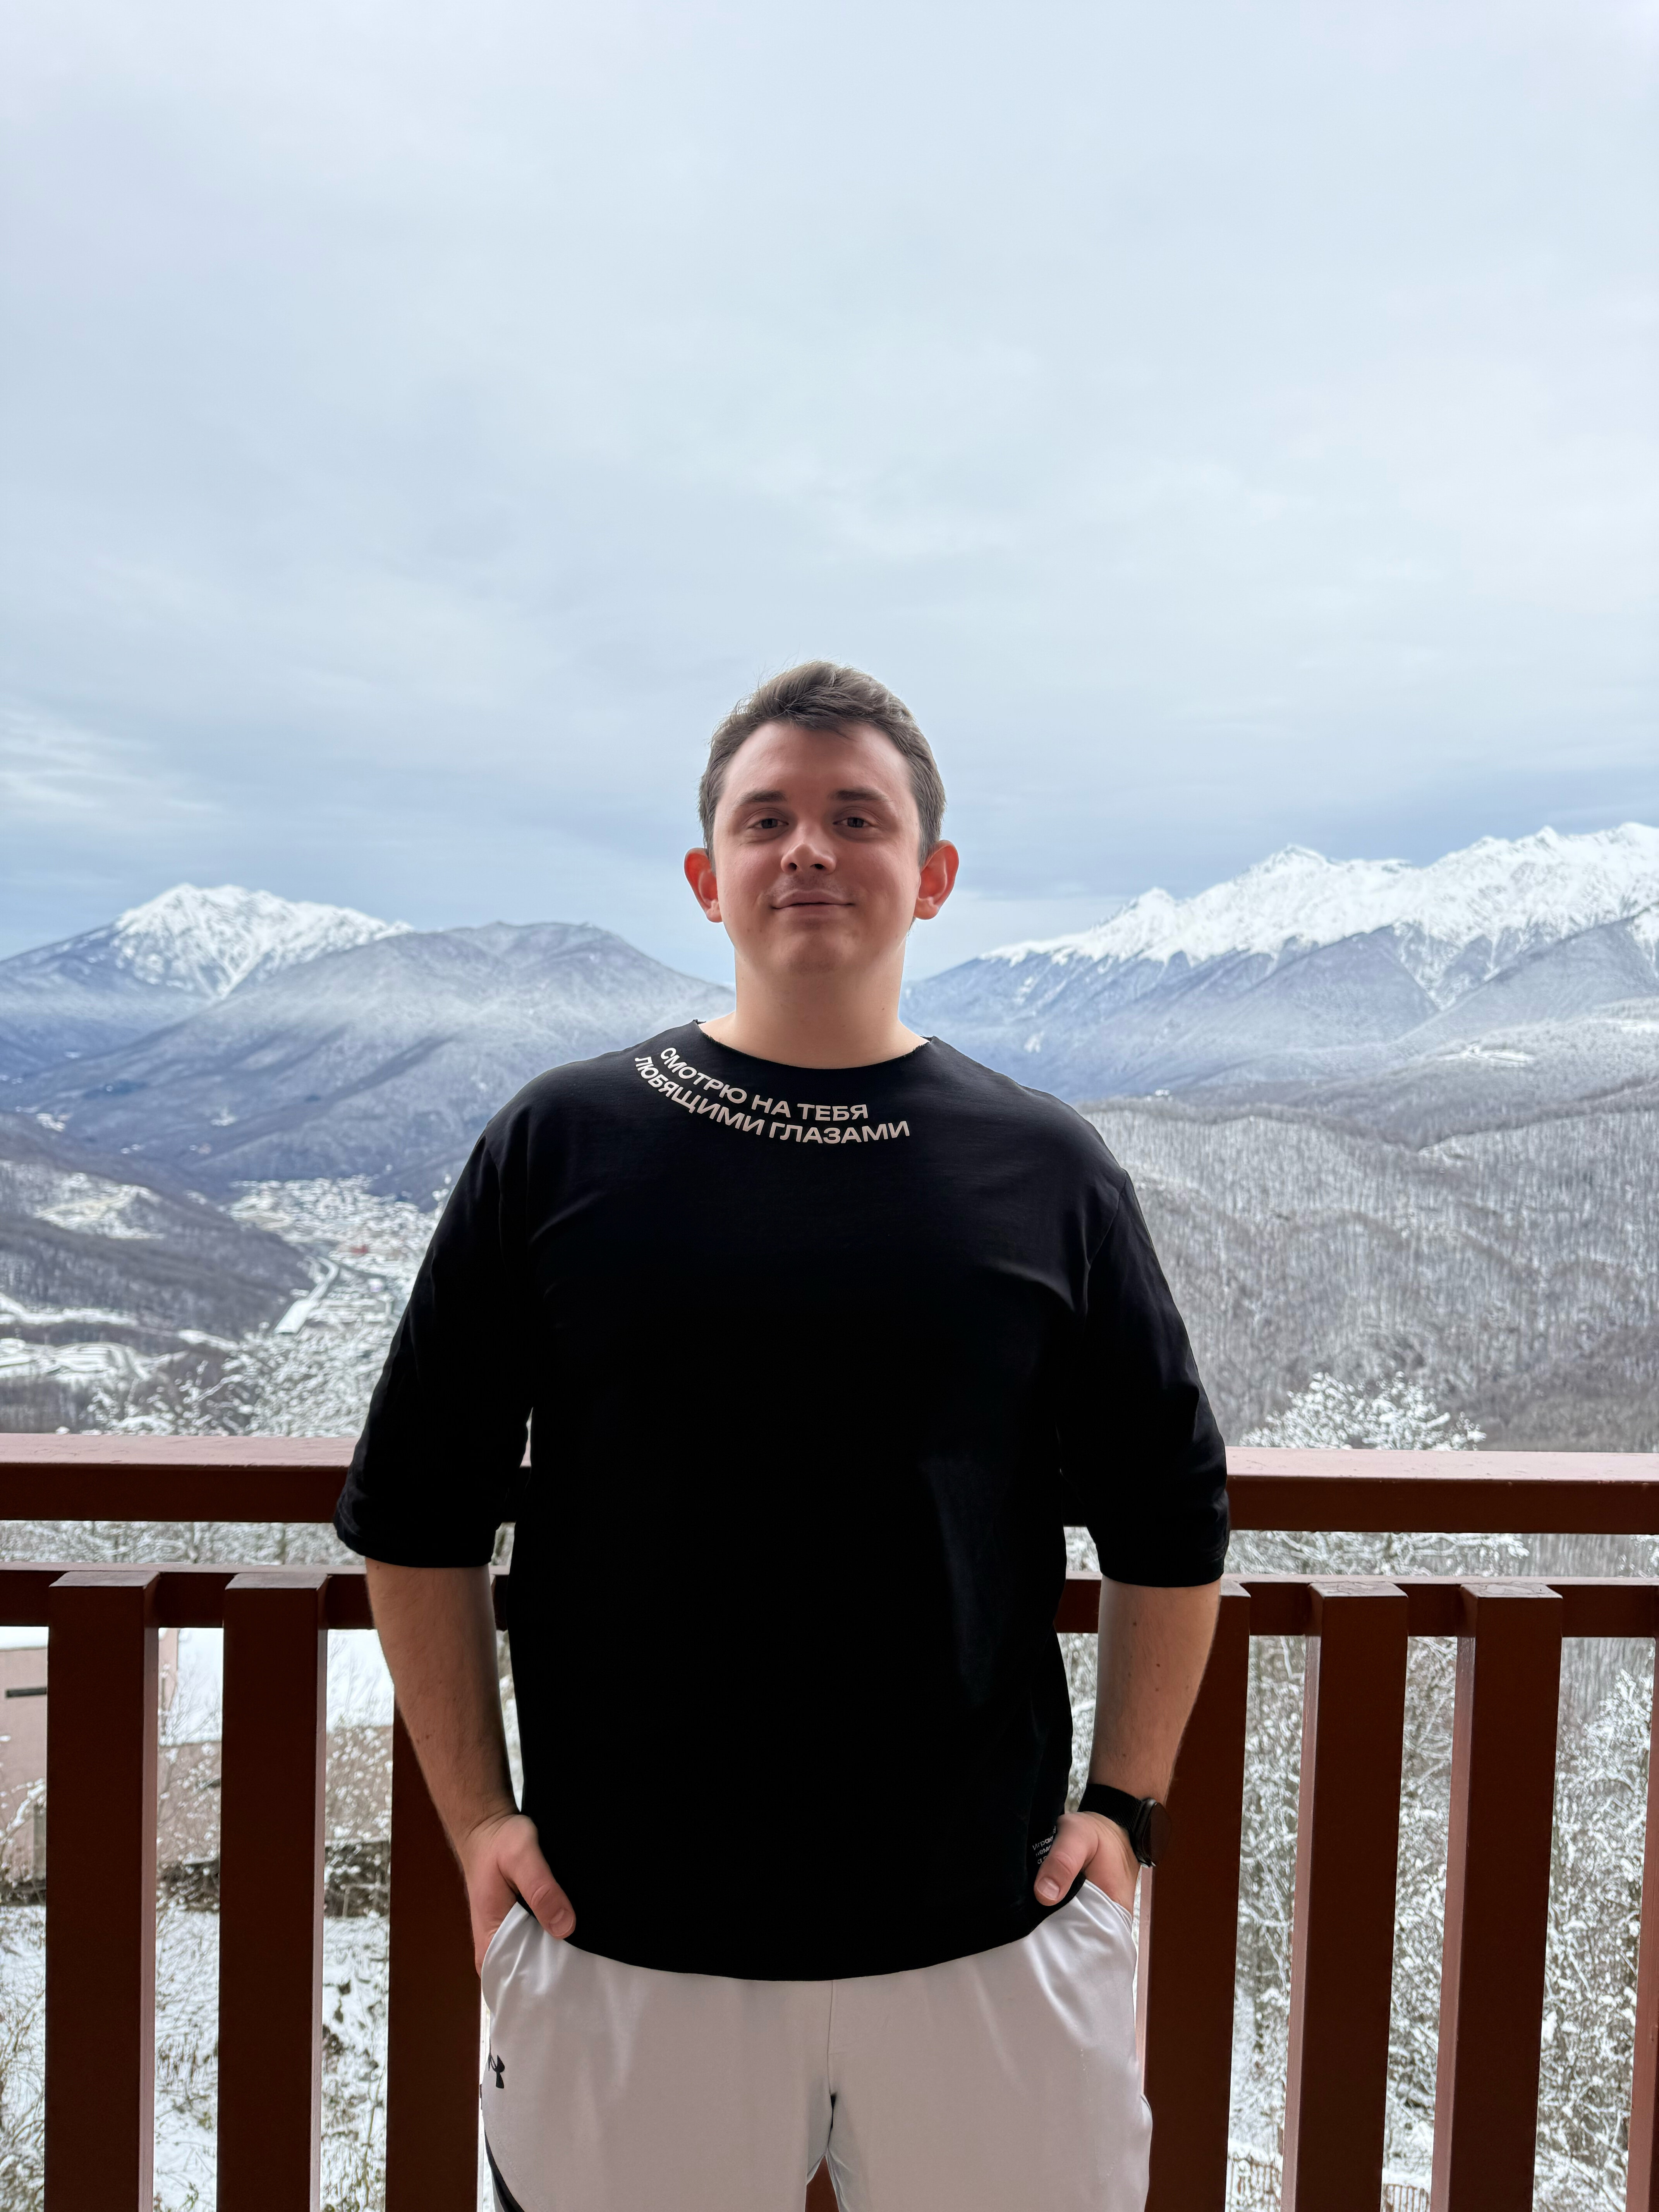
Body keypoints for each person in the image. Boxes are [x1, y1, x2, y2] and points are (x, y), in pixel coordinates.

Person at [335, 661, 1227, 2212]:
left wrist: (1125, 1812)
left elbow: (1171, 1516)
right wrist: (478, 1819)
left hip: (992, 1937)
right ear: (708, 877)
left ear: (932, 876)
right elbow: (418, 1512)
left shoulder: (1047, 1170)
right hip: (622, 1938)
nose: (809, 847)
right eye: (767, 819)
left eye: (856, 817)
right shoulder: (560, 1144)